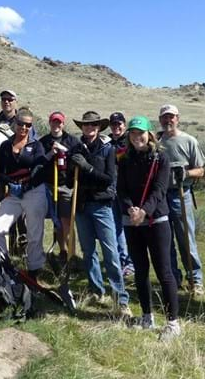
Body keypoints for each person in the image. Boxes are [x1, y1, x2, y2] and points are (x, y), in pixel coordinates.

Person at [117, 116, 180, 341]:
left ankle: (173, 323)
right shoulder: (124, 160)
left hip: (156, 221)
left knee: (164, 272)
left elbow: (160, 189)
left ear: (149, 134)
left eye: (140, 133)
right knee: (141, 271)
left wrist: (144, 211)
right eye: (132, 134)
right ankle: (147, 316)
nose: (137, 138)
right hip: (132, 222)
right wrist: (130, 210)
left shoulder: (160, 159)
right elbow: (121, 190)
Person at [67, 111, 130, 316]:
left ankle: (120, 298)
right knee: (88, 252)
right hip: (82, 207)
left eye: (94, 125)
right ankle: (96, 290)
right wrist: (70, 167)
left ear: (99, 127)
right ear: (82, 128)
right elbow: (69, 182)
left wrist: (86, 168)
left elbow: (108, 180)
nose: (90, 128)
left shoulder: (107, 149)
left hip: (102, 206)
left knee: (111, 252)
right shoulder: (76, 149)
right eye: (86, 125)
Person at [0, 107, 47, 278]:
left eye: (28, 125)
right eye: (21, 124)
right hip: (13, 192)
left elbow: (40, 168)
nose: (24, 128)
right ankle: (4, 265)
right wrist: (9, 183)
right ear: (15, 124)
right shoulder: (6, 146)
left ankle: (34, 269)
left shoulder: (36, 146)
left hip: (34, 191)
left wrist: (26, 186)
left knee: (34, 232)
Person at [158, 104, 205, 295]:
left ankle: (195, 280)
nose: (168, 120)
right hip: (161, 197)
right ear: (160, 119)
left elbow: (201, 170)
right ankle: (172, 278)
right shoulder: (157, 141)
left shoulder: (188, 141)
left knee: (186, 239)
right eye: (164, 117)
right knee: (165, 240)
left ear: (178, 118)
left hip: (181, 195)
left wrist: (185, 173)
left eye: (171, 117)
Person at [39, 111, 80, 263]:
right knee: (55, 221)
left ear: (63, 123)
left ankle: (72, 254)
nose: (56, 125)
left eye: (59, 122)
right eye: (53, 122)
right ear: (50, 123)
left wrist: (65, 152)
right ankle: (62, 250)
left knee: (66, 221)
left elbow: (79, 157)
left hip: (65, 186)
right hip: (48, 186)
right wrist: (51, 153)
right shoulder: (43, 142)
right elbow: (39, 161)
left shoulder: (72, 140)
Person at [108, 111, 134, 276]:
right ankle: (120, 259)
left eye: (119, 124)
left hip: (128, 189)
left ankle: (130, 262)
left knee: (129, 225)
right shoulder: (107, 142)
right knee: (116, 226)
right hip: (111, 189)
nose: (116, 127)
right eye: (114, 124)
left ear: (124, 125)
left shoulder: (131, 141)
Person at [0, 89, 36, 156]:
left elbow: (33, 145)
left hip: (20, 163)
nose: (6, 102)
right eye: (4, 99)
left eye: (10, 99)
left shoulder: (25, 123)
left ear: (16, 102)